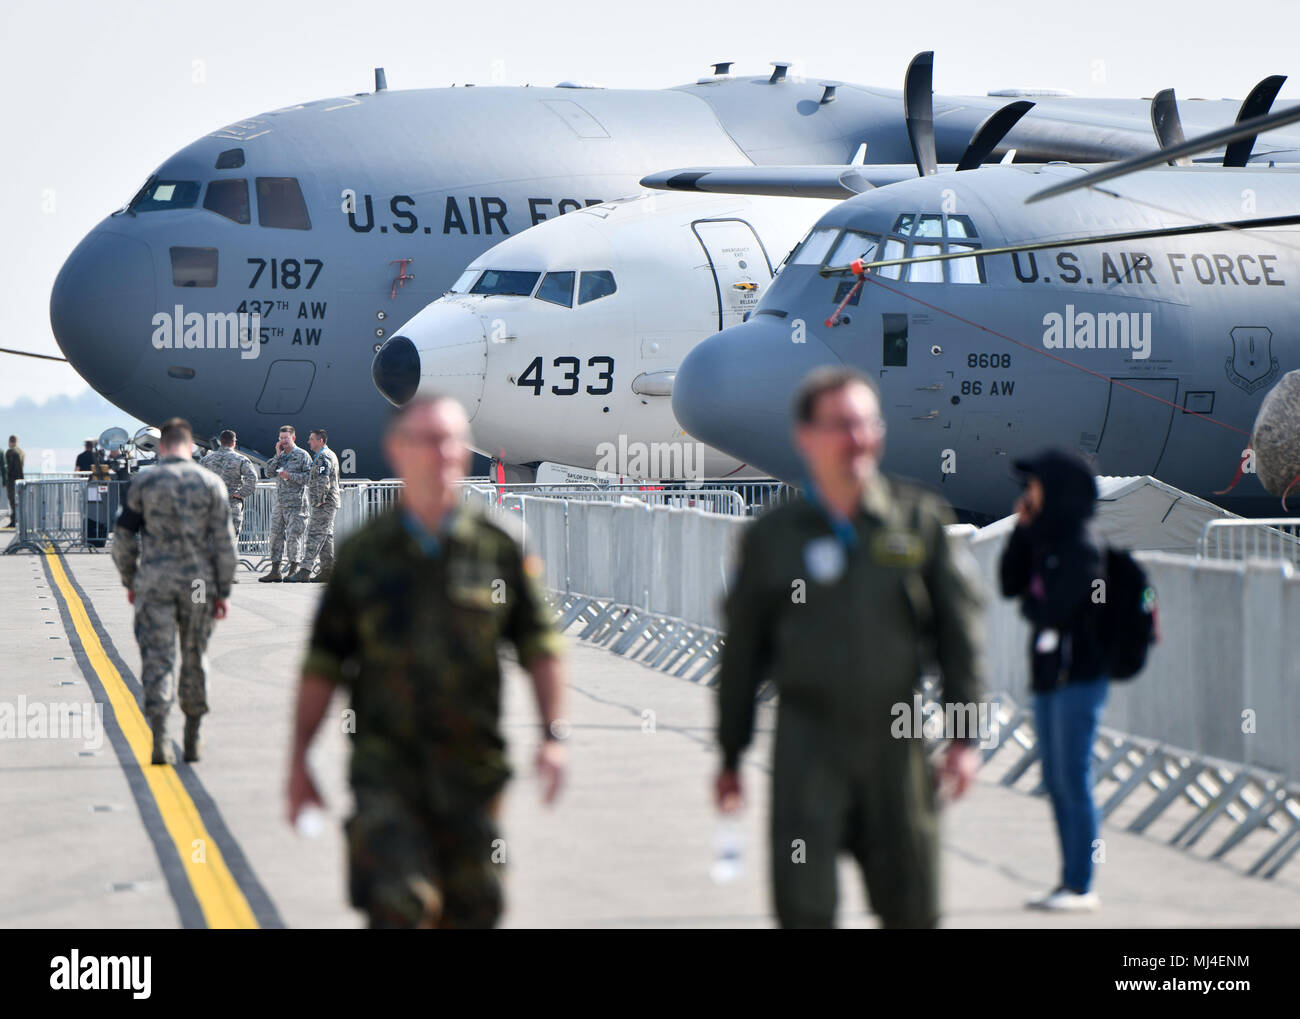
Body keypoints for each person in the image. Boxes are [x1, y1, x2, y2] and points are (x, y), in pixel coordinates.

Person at [714, 367, 986, 929]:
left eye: (866, 425)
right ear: (805, 437)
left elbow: (960, 637)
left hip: (898, 745)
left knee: (913, 905)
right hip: (807, 745)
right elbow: (742, 654)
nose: (858, 439)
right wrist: (730, 754)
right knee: (804, 908)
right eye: (841, 426)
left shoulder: (919, 523)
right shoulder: (774, 538)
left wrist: (965, 738)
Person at [288, 394, 567, 928]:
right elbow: (323, 663)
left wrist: (554, 738)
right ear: (397, 450)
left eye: (452, 441)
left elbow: (540, 648)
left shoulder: (499, 547)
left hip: (472, 777)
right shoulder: (364, 555)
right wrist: (298, 759)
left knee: (475, 912)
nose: (442, 454)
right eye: (427, 441)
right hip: (384, 777)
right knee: (401, 907)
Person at [999, 449, 1107, 913]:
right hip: (1049, 677)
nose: (1027, 493)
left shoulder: (1080, 547)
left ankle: (1081, 884)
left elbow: (1050, 610)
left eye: (1035, 485)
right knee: (1055, 779)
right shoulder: (1043, 540)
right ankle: (1067, 883)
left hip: (1078, 679)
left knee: (1073, 778)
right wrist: (1022, 533)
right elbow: (1009, 585)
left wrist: (1033, 607)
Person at [111, 418, 237, 765]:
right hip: (198, 586)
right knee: (195, 655)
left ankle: (160, 738)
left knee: (158, 658)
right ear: (190, 446)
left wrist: (131, 580)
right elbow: (226, 544)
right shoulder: (211, 483)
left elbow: (122, 540)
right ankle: (193, 735)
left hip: (156, 583)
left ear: (162, 446)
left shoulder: (144, 482)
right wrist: (223, 591)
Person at [200, 430, 258, 582]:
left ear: (220, 441)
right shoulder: (240, 459)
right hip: (232, 503)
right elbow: (252, 479)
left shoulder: (207, 459)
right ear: (234, 442)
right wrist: (241, 493)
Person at [259, 425, 311, 583]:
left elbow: (310, 477)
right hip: (280, 504)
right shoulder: (280, 456)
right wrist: (277, 455)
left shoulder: (302, 455)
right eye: (281, 438)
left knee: (293, 538)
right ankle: (275, 571)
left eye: (286, 438)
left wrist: (291, 476)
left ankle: (293, 570)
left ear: (293, 438)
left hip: (296, 504)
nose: (283, 441)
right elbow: (268, 472)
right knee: (275, 536)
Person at [288, 428, 340, 583]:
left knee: (315, 535)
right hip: (327, 501)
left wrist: (319, 500)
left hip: (324, 502)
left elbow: (324, 480)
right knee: (326, 536)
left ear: (320, 441)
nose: (308, 441)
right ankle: (327, 570)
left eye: (311, 439)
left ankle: (305, 570)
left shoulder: (324, 457)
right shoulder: (323, 455)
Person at [5, 436, 24, 528]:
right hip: (20, 480)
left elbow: (8, 468)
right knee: (19, 501)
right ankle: (19, 520)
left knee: (12, 500)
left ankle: (14, 520)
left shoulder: (10, 452)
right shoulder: (21, 452)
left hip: (12, 480)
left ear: (10, 442)